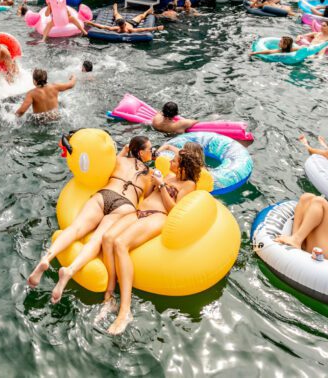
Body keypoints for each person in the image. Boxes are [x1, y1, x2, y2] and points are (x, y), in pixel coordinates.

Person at [27, 136, 154, 296]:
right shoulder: (149, 174)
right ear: (141, 153)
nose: (152, 151)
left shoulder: (118, 161)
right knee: (96, 240)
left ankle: (46, 259)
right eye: (150, 149)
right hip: (125, 205)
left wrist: (124, 150)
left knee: (76, 228)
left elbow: (108, 164)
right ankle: (69, 271)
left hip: (105, 194)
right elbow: (147, 199)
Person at [99, 141, 203, 333]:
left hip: (158, 216)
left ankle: (125, 311)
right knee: (108, 238)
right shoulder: (169, 175)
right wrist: (153, 183)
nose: (171, 161)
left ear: (183, 166)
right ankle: (109, 297)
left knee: (121, 243)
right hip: (140, 211)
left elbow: (174, 210)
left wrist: (163, 186)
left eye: (175, 160)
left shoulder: (189, 184)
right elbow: (146, 195)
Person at [85, 4, 164, 35]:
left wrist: (91, 23)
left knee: (141, 16)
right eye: (122, 26)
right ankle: (115, 8)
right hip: (128, 23)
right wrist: (91, 23)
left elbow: (144, 28)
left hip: (132, 23)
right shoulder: (119, 28)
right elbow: (103, 27)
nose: (122, 27)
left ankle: (148, 11)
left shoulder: (127, 29)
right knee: (116, 14)